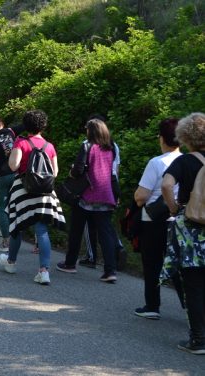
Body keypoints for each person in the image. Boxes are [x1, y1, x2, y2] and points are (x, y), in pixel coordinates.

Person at [0, 110, 65, 286]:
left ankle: (11, 262)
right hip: (45, 192)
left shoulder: (21, 142)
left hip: (23, 190)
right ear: (43, 125)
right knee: (41, 230)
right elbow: (55, 172)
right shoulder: (49, 146)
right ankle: (44, 271)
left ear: (26, 125)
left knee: (17, 226)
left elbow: (14, 166)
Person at [160, 112, 205, 355]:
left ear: (185, 136)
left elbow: (167, 185)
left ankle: (198, 339)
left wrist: (175, 207)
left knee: (194, 283)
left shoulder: (184, 161)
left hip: (192, 228)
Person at [56, 118, 120, 283]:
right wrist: (116, 194)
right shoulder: (111, 148)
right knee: (105, 234)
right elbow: (113, 173)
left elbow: (78, 170)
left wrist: (71, 173)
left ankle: (70, 263)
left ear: (91, 131)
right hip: (106, 194)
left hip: (87, 194)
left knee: (76, 229)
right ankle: (110, 271)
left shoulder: (87, 146)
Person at [131, 118, 183, 320]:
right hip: (178, 220)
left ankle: (152, 305)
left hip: (153, 221)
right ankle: (191, 308)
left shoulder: (156, 163)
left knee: (152, 262)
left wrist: (136, 199)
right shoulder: (187, 160)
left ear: (161, 138)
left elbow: (141, 196)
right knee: (179, 266)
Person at [0, 116, 24, 251]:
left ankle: (6, 242)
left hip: (1, 175)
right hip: (16, 173)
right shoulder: (12, 131)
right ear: (1, 123)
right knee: (18, 206)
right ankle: (19, 238)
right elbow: (27, 125)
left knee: (2, 208)